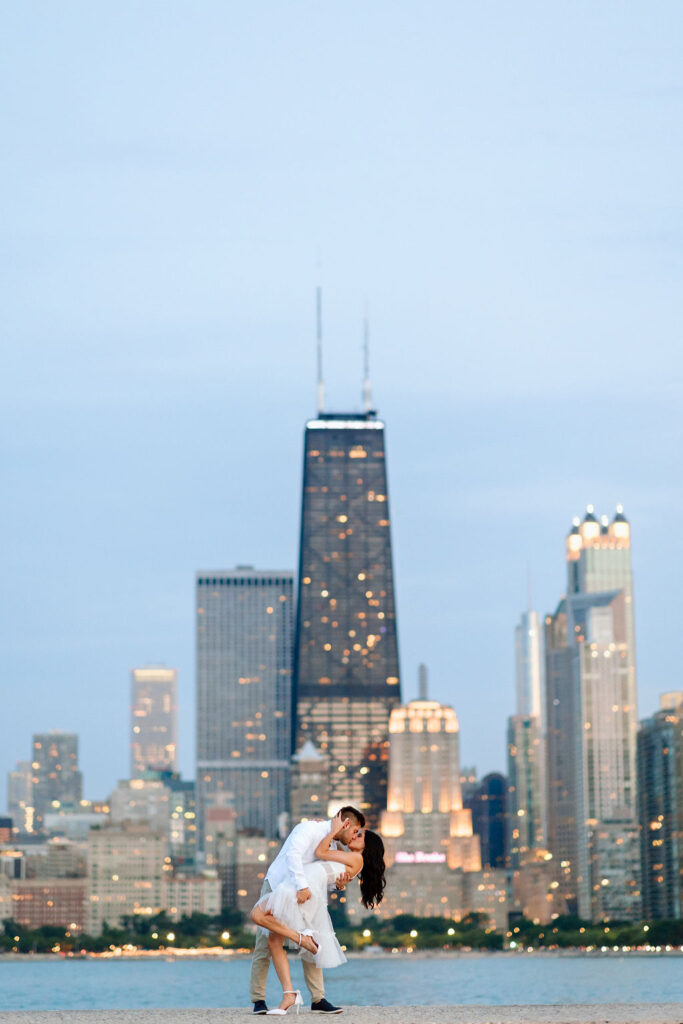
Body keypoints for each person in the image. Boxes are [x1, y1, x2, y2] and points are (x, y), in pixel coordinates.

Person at [249, 807, 384, 1015]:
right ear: (346, 824)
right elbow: (295, 856)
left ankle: (316, 997)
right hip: (279, 883)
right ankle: (260, 999)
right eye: (356, 831)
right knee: (266, 945)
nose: (354, 836)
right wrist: (306, 886)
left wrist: (336, 885)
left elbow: (323, 873)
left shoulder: (336, 846)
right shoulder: (309, 829)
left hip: (303, 893)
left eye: (360, 835)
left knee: (282, 938)